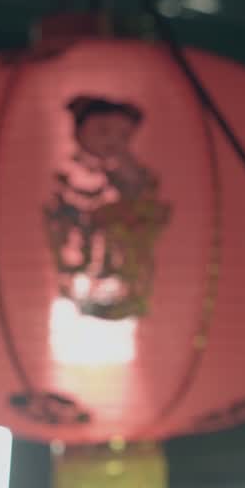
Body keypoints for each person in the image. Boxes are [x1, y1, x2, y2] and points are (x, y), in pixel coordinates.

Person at [45, 96, 170, 320]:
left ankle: (115, 297)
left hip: (115, 242)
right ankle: (86, 298)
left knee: (115, 265)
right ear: (79, 131)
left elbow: (141, 192)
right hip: (82, 238)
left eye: (123, 135)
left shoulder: (121, 170)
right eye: (103, 132)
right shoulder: (73, 171)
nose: (112, 142)